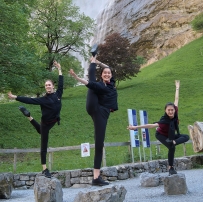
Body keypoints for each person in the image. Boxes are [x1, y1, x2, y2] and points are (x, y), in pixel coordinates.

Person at [8, 61, 63, 178]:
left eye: (49, 85)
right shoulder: (43, 99)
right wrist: (15, 97)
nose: (48, 86)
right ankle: (44, 169)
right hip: (45, 123)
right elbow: (30, 100)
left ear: (53, 86)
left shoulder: (58, 94)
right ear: (45, 88)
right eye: (46, 85)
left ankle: (28, 116)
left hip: (53, 121)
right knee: (43, 143)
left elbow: (61, 82)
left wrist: (59, 69)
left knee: (39, 131)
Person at [69, 54, 118, 186]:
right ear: (102, 75)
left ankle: (96, 177)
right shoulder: (101, 86)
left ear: (111, 75)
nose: (107, 74)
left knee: (99, 142)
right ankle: (96, 177)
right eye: (105, 73)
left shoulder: (111, 84)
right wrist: (76, 77)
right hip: (97, 110)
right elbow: (89, 83)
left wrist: (95, 61)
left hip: (102, 111)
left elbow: (107, 68)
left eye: (109, 73)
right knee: (99, 143)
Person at [127, 80, 189, 175]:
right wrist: (136, 127)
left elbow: (176, 99)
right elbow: (151, 125)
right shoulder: (164, 121)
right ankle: (171, 168)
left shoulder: (175, 112)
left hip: (171, 136)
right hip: (161, 135)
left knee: (186, 137)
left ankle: (174, 142)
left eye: (172, 110)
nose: (170, 112)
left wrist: (177, 88)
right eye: (168, 110)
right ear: (165, 110)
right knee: (172, 148)